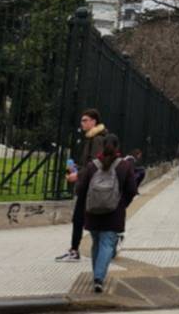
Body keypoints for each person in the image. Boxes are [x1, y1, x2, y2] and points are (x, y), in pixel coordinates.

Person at [76, 133, 138, 294]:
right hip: (114, 213)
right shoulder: (124, 166)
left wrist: (85, 208)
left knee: (96, 243)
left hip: (93, 213)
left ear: (102, 146)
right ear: (117, 147)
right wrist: (122, 204)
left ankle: (97, 275)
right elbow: (132, 190)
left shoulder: (92, 166)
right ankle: (98, 278)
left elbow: (81, 190)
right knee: (107, 244)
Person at [57, 108, 106, 262]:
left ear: (94, 121)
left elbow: (95, 164)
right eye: (82, 120)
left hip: (91, 186)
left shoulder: (97, 139)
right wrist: (76, 168)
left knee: (80, 218)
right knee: (87, 219)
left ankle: (74, 251)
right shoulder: (91, 138)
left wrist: (77, 174)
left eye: (85, 120)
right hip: (89, 184)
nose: (82, 123)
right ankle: (75, 249)